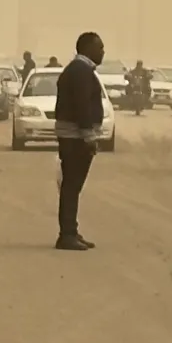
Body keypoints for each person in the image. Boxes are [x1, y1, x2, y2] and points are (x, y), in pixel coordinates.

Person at [54, 31, 106, 251]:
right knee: (71, 186)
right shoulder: (80, 71)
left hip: (75, 135)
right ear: (87, 49)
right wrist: (89, 136)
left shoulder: (81, 70)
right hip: (75, 137)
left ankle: (71, 231)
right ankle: (66, 235)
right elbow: (82, 105)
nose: (103, 52)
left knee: (73, 186)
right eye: (99, 47)